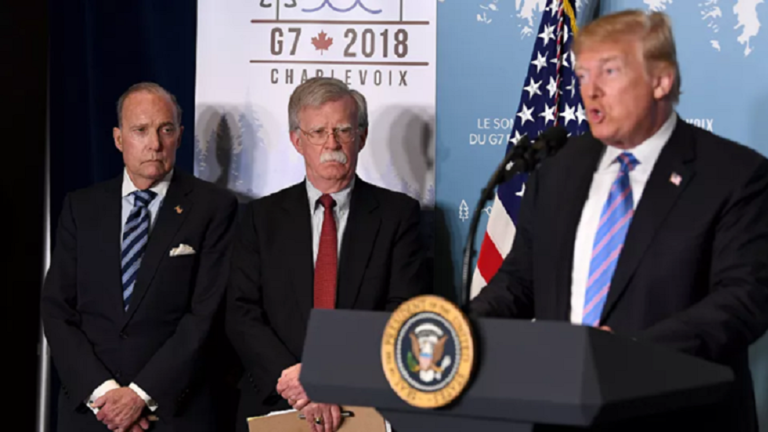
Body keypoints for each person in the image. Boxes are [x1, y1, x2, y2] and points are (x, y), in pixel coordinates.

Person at [470, 10, 768, 432]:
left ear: (661, 80)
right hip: (561, 414)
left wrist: (627, 353)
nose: (590, 91)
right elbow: (520, 282)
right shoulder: (557, 170)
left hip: (677, 416)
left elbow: (744, 300)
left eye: (608, 72)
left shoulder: (733, 175)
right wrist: (459, 327)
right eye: (582, 75)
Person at [227, 77, 429, 432]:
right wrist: (297, 382)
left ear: (361, 137)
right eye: (318, 132)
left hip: (364, 401)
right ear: (297, 140)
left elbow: (403, 312)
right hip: (279, 399)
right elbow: (241, 311)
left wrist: (331, 377)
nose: (331, 143)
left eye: (343, 131)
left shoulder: (398, 215)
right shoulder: (260, 217)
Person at [41, 82, 238, 432]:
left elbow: (205, 315)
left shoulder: (213, 208)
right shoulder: (81, 207)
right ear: (119, 139)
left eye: (166, 130)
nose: (155, 144)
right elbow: (57, 309)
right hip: (92, 413)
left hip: (173, 413)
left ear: (180, 136)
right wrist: (105, 394)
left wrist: (139, 396)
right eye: (141, 130)